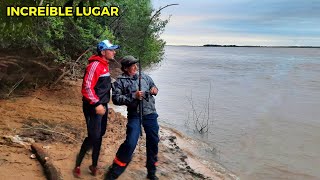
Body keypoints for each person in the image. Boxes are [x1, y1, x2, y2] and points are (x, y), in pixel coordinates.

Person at [105, 56, 159, 180]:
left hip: (150, 114)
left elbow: (154, 87)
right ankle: (114, 172)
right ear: (125, 68)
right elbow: (116, 99)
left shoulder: (145, 76)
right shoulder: (120, 81)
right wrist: (133, 96)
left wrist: (154, 90)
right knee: (130, 143)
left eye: (136, 65)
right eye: (132, 66)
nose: (135, 67)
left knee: (154, 142)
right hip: (135, 115)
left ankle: (151, 172)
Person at [73, 39, 119, 178]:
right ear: (103, 51)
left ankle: (93, 165)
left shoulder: (105, 65)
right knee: (94, 136)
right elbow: (87, 87)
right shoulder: (95, 65)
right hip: (93, 107)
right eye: (111, 50)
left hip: (102, 105)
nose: (114, 52)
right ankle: (78, 165)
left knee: (100, 135)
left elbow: (102, 85)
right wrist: (97, 104)